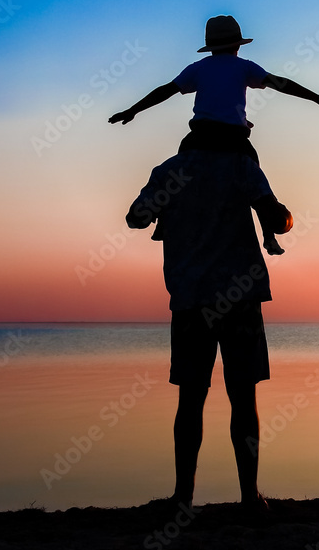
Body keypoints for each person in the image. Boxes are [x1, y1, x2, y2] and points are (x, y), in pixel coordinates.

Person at [125, 146, 292, 515]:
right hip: (240, 296)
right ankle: (250, 498)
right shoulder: (242, 166)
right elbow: (279, 221)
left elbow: (136, 218)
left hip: (191, 298)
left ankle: (183, 498)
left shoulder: (170, 170)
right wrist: (284, 217)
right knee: (243, 400)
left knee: (190, 400)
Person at [109, 14, 319, 254]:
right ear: (238, 45)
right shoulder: (244, 67)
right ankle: (269, 236)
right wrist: (314, 97)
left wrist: (132, 110)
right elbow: (279, 82)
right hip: (233, 139)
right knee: (255, 175)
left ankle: (163, 223)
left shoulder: (197, 68)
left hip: (199, 136)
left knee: (179, 166)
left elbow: (165, 91)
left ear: (210, 47)